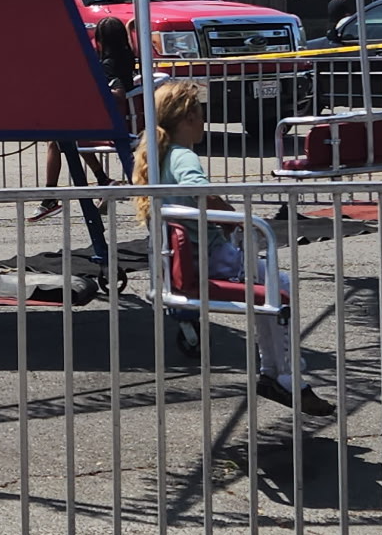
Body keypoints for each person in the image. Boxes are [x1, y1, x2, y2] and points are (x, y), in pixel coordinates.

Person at [133, 78, 333, 415]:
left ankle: (276, 372)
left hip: (184, 257)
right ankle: (284, 374)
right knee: (278, 288)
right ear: (188, 119)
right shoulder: (183, 157)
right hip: (209, 256)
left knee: (272, 289)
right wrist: (234, 218)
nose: (203, 120)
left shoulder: (158, 155)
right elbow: (202, 193)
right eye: (200, 113)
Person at [31, 17, 138, 220]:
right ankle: (102, 179)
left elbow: (117, 92)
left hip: (107, 123)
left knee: (56, 140)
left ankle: (49, 197)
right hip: (116, 120)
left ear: (100, 39)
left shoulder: (108, 65)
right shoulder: (127, 57)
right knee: (66, 137)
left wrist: (91, 91)